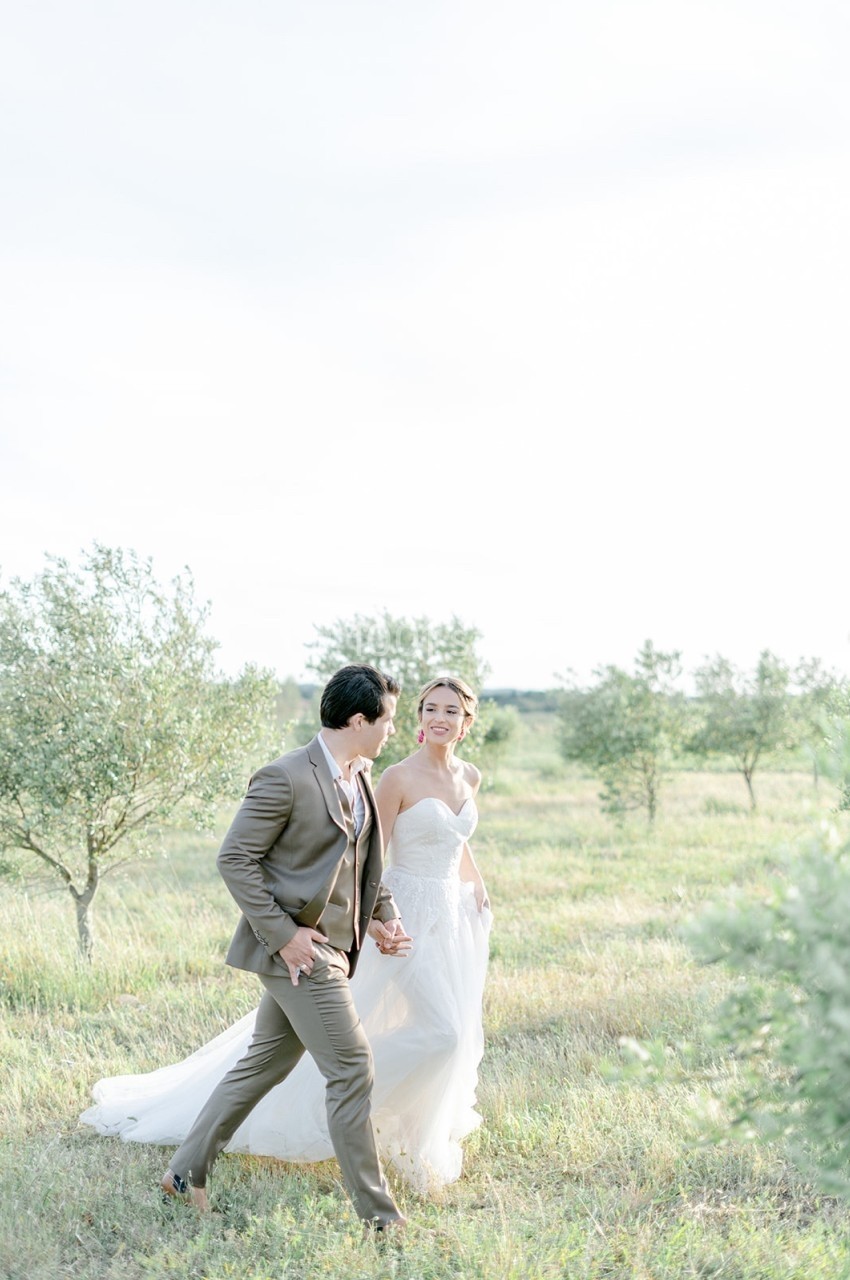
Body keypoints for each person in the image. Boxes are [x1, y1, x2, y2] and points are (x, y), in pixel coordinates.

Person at [80, 675, 491, 1206]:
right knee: (351, 1069)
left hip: (342, 945)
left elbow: (364, 863)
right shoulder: (286, 776)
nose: (397, 729)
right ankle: (382, 1216)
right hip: (302, 952)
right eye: (389, 719)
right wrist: (285, 936)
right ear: (359, 721)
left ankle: (183, 1175)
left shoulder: (359, 775)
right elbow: (234, 859)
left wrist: (383, 916)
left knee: (264, 1063)